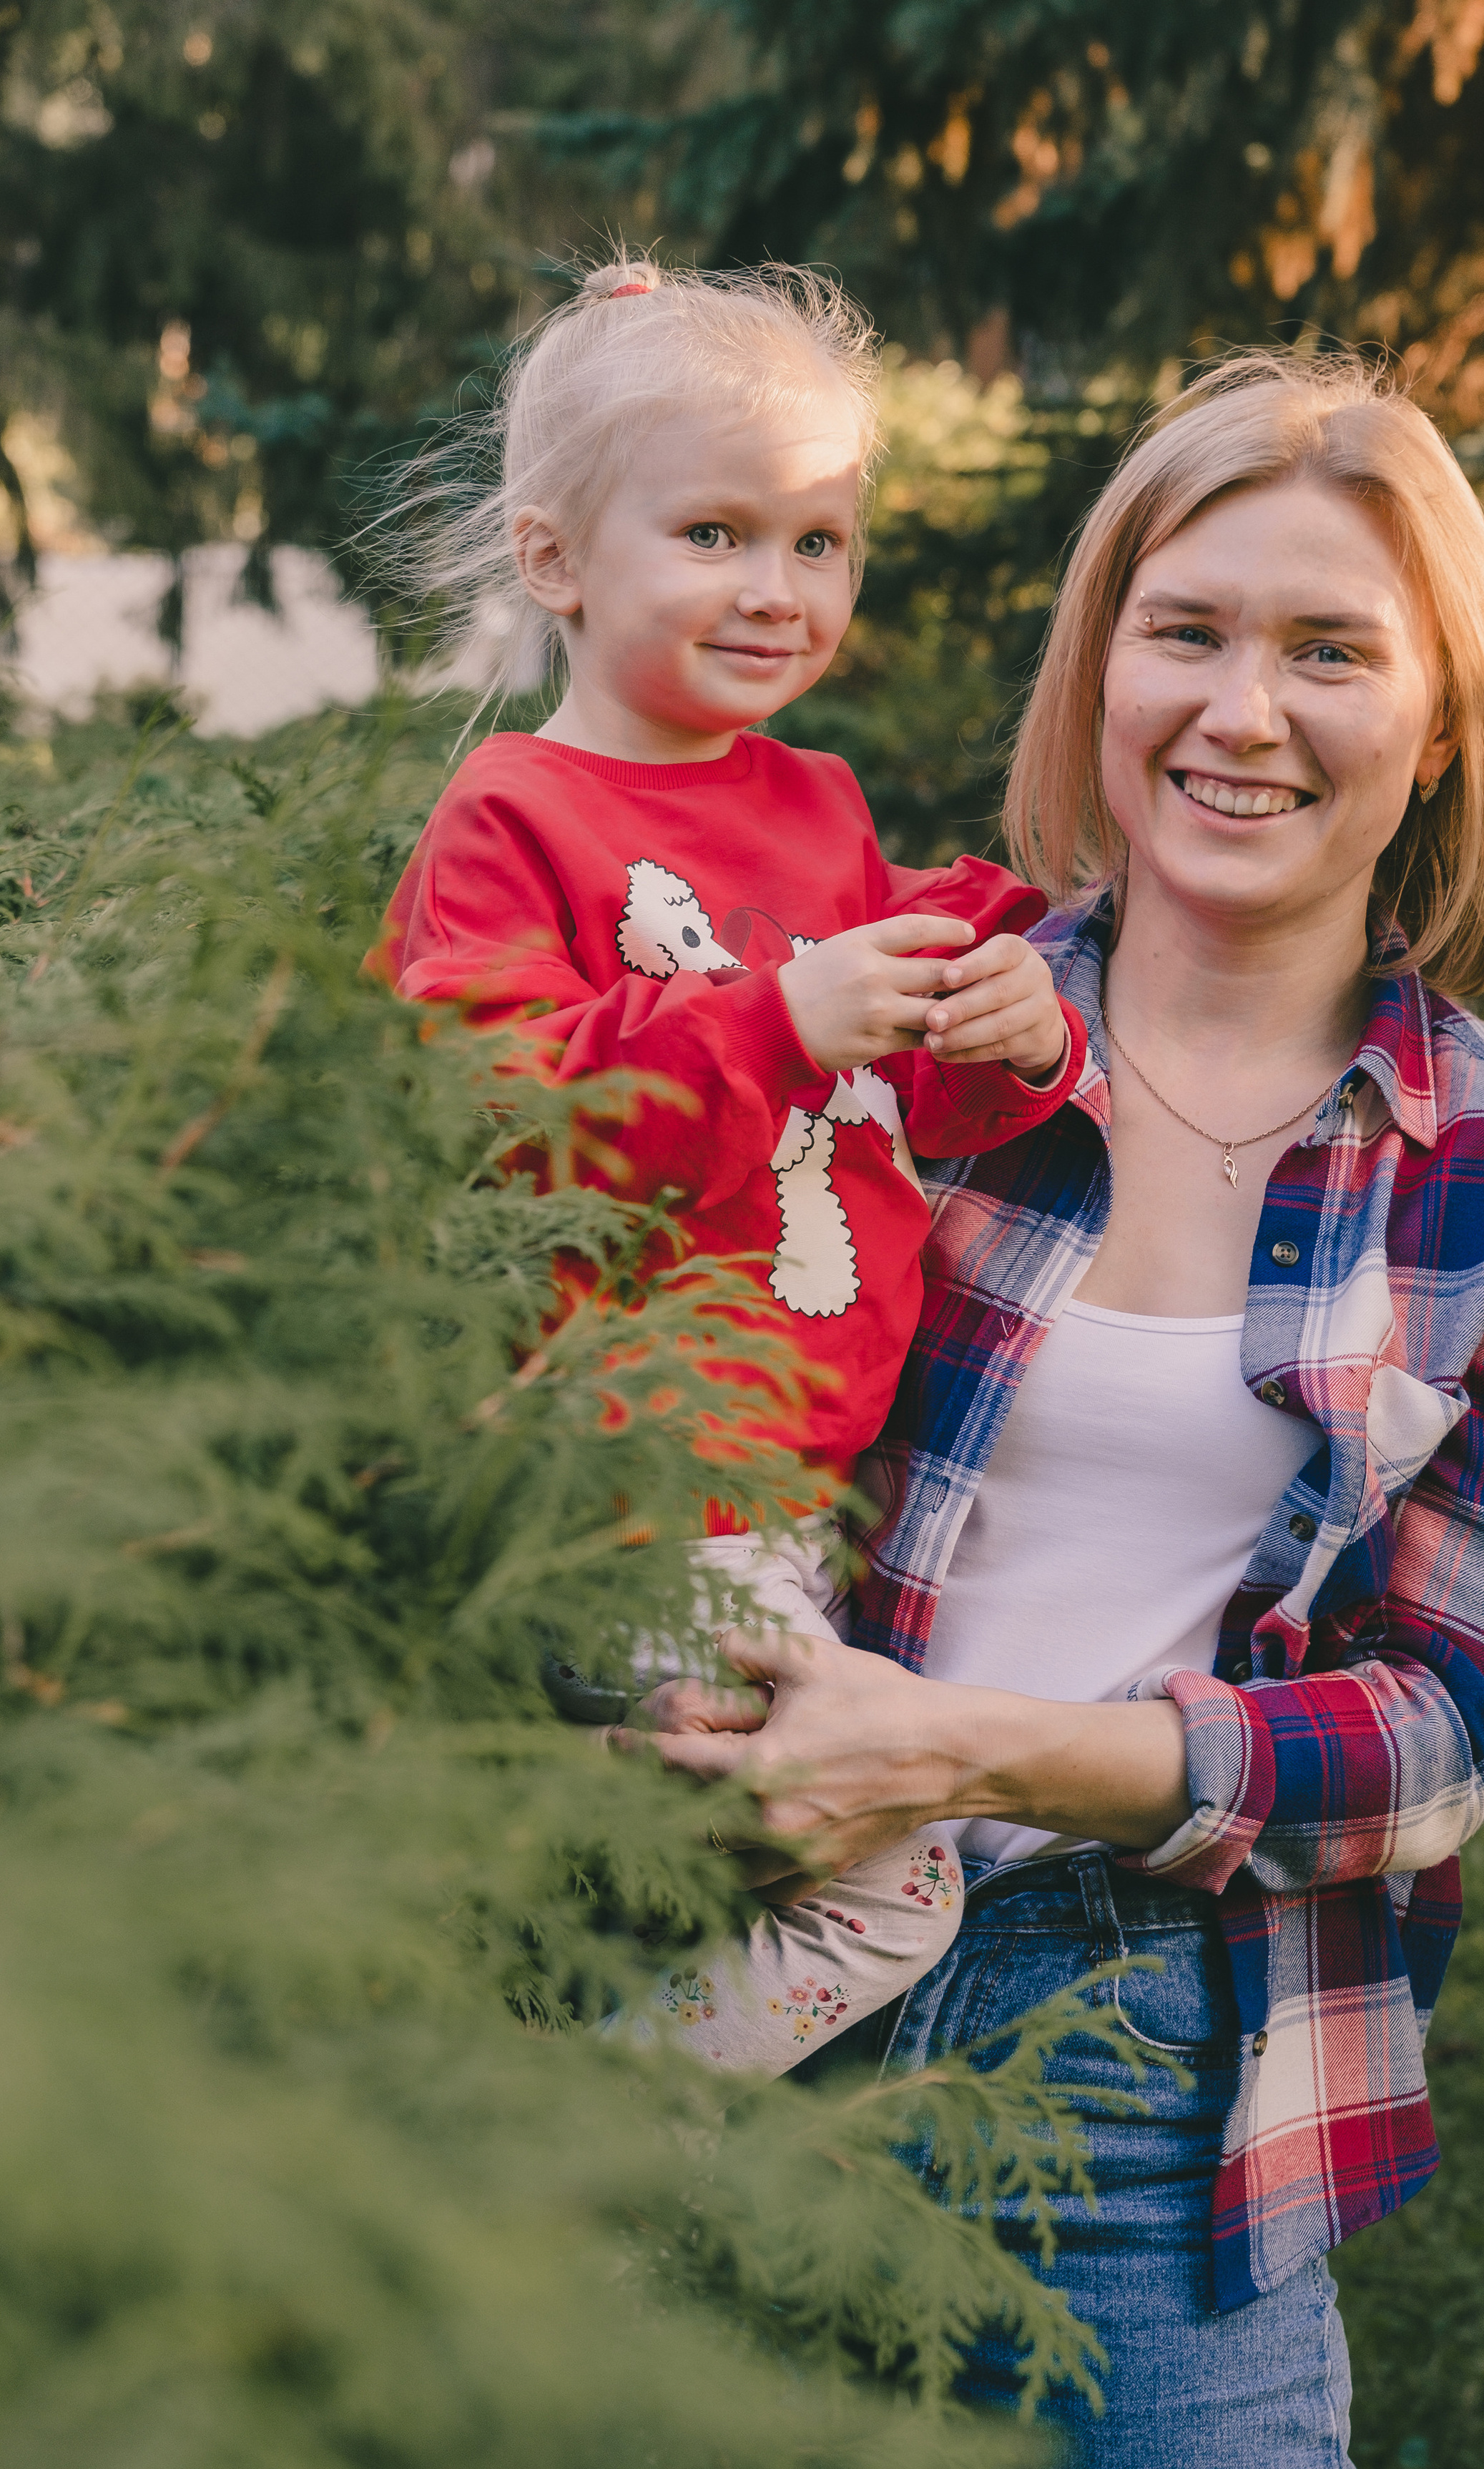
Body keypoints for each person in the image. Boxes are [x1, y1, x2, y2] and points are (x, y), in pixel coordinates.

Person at [646, 350, 1484, 2469]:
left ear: (1439, 725)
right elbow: (612, 1370)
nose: (1242, 713)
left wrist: (957, 1746)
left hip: (1168, 2076)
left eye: (1332, 653)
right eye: (1183, 630)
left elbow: (1438, 1733)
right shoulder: (903, 1016)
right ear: (1099, 660)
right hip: (740, 2014)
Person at [374, 254, 1089, 2072]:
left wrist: (1013, 1029)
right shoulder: (513, 816)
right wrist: (777, 1019)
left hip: (780, 1498)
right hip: (630, 1485)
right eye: (714, 532)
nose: (778, 591)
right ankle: (587, 2155)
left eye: (819, 542)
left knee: (667, 1867)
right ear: (556, 561)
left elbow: (876, 1111)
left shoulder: (815, 806)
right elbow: (501, 1121)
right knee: (880, 1884)